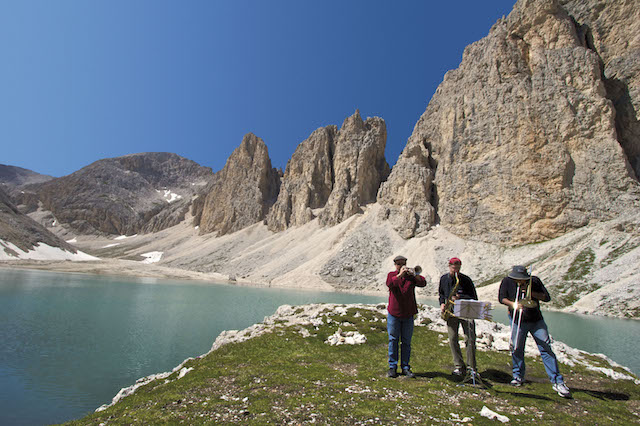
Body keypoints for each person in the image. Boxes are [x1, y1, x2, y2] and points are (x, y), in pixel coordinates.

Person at [498, 265, 572, 398]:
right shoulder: (507, 281)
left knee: (545, 348)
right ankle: (518, 376)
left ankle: (557, 381)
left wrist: (531, 293)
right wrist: (513, 304)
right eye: (517, 279)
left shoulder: (535, 281)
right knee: (517, 348)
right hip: (518, 320)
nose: (520, 281)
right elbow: (501, 298)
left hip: (536, 320)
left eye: (522, 279)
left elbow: (546, 297)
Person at [386, 255, 426, 378]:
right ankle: (392, 367)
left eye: (403, 264)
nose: (401, 266)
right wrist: (400, 275)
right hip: (394, 313)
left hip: (408, 314)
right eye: (399, 264)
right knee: (393, 340)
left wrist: (414, 275)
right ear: (395, 265)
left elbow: (423, 283)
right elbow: (390, 283)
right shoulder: (391, 275)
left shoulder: (410, 277)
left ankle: (405, 367)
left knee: (406, 342)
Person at [439, 257, 478, 377]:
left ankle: (472, 367)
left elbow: (474, 297)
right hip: (451, 311)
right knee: (452, 338)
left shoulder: (466, 280)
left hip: (465, 311)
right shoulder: (444, 279)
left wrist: (460, 297)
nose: (455, 270)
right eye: (453, 267)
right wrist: (442, 303)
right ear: (449, 266)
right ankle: (459, 366)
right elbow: (441, 293)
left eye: (457, 268)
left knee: (470, 338)